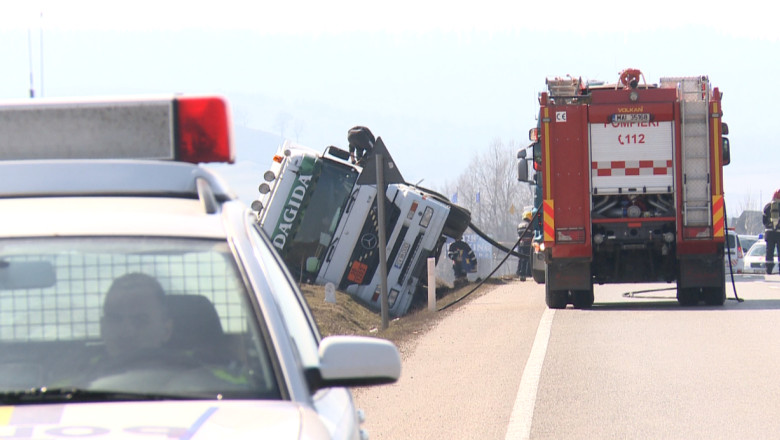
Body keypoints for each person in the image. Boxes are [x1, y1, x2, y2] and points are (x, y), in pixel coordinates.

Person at [763, 189, 780, 274]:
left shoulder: (767, 206)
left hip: (769, 234)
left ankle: (768, 270)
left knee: (769, 252)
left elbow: (764, 220)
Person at [516, 210, 533, 281]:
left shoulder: (519, 225)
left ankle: (520, 272)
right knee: (528, 258)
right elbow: (532, 234)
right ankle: (528, 273)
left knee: (521, 258)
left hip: (520, 244)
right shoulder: (530, 224)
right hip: (528, 244)